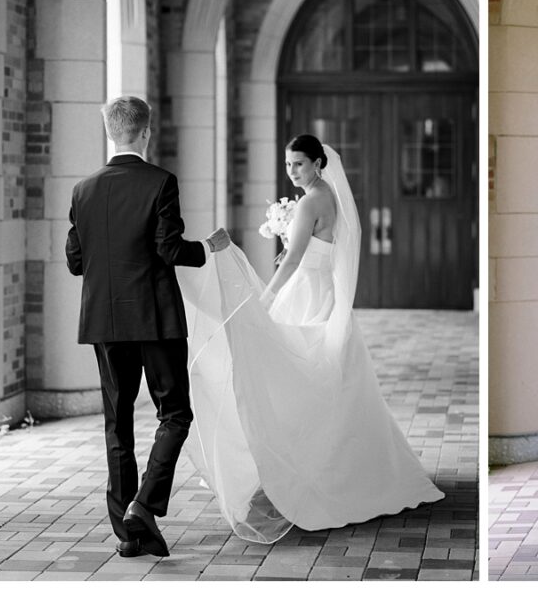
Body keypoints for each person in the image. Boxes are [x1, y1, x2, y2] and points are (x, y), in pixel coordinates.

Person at [180, 133, 444, 544]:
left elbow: (294, 262)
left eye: (299, 164)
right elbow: (317, 249)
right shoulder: (330, 196)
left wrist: (265, 299)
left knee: (289, 378)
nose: (292, 172)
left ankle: (299, 467)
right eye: (288, 165)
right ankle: (335, 465)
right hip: (325, 293)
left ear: (319, 163)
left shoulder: (308, 202)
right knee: (326, 383)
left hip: (304, 295)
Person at [65, 96, 231, 558]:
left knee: (117, 424)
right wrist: (208, 248)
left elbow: (75, 261)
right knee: (175, 413)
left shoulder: (82, 189)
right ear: (145, 132)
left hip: (103, 321)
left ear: (110, 132)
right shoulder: (161, 181)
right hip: (155, 319)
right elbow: (170, 249)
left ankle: (129, 533)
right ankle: (144, 505)